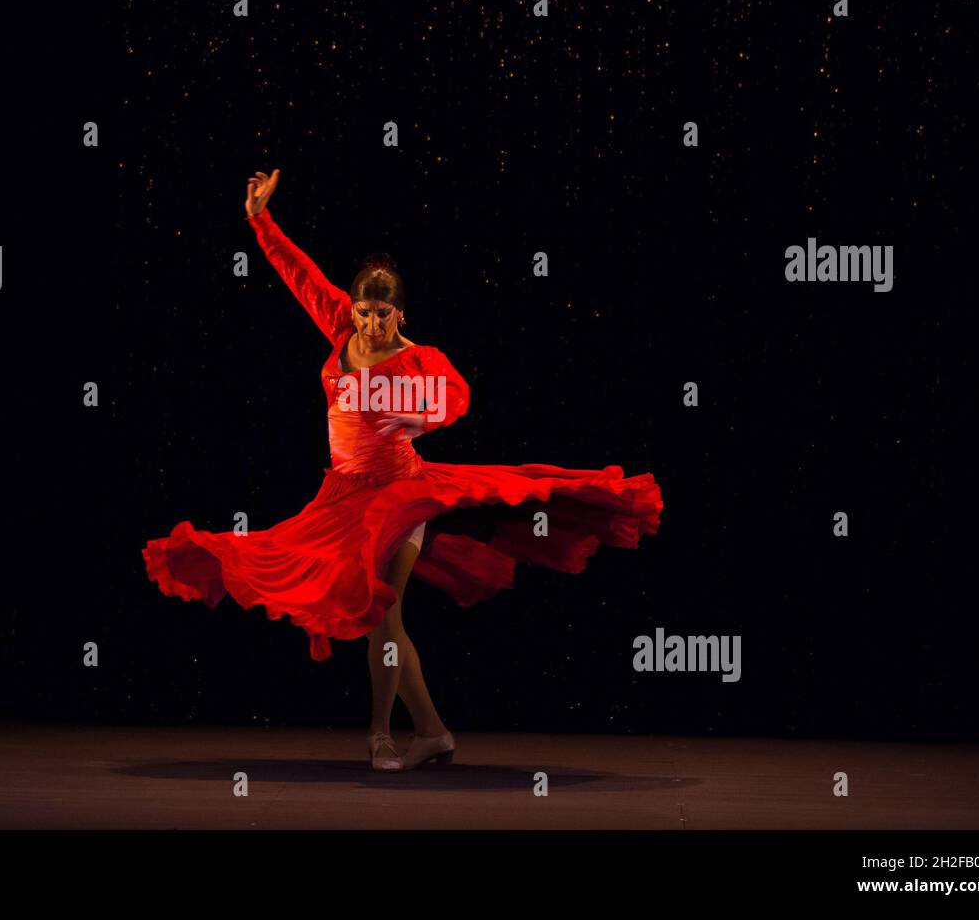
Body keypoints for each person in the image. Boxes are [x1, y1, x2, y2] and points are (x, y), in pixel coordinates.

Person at [143, 168, 663, 772]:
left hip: (398, 496)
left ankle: (381, 735)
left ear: (399, 312)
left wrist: (416, 416)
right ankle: (432, 732)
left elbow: (457, 395)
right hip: (341, 496)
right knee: (355, 605)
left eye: (381, 313)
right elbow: (298, 275)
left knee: (382, 613)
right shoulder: (341, 327)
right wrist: (260, 218)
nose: (370, 322)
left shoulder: (416, 357)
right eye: (364, 310)